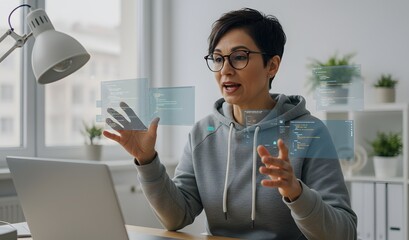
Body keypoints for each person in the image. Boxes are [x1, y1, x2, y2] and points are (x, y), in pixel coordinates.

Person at [104, 8, 357, 240]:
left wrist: (296, 193)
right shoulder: (203, 133)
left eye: (239, 57)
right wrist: (147, 161)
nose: (225, 69)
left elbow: (344, 232)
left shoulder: (310, 132)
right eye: (217, 58)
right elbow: (176, 217)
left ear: (272, 65)